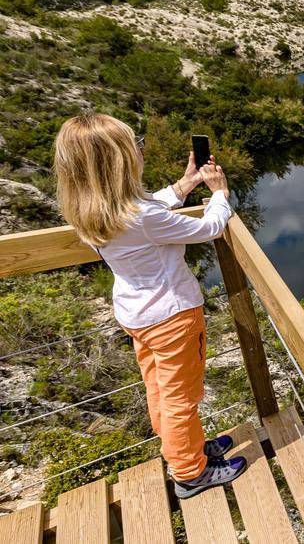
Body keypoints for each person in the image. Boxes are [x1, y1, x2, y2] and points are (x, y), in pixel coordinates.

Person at [53, 113, 247, 498]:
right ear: (121, 160)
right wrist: (220, 195)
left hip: (138, 316)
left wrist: (184, 184)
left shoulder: (89, 210)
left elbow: (146, 209)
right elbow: (209, 228)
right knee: (182, 397)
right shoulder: (141, 217)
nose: (141, 149)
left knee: (160, 390)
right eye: (135, 144)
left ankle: (186, 450)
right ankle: (191, 472)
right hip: (173, 318)